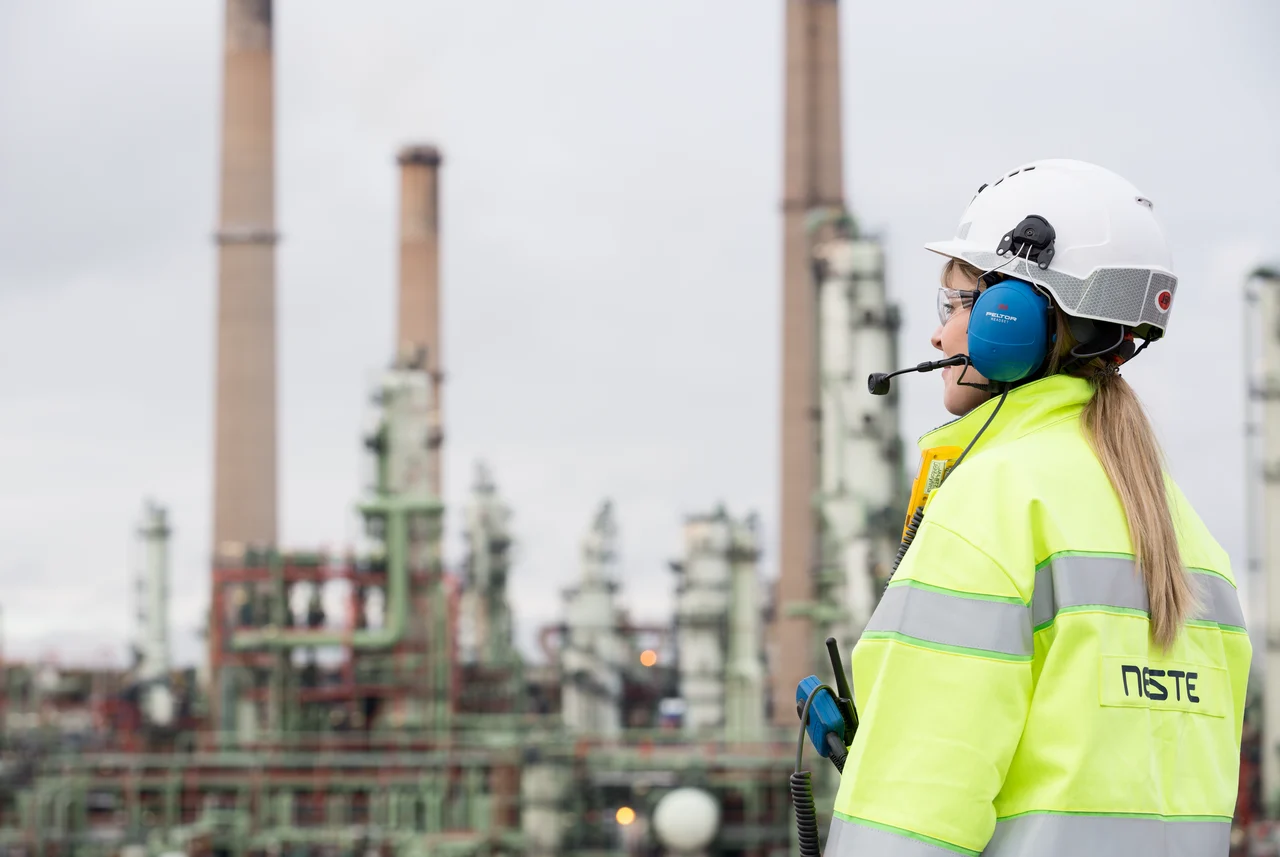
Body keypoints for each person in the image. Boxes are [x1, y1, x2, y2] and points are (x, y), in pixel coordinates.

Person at [825, 159, 1251, 856]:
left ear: (1015, 318)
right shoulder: (1192, 538)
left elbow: (906, 826)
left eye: (956, 304)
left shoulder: (993, 504)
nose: (938, 337)